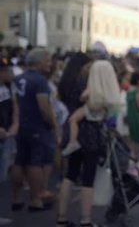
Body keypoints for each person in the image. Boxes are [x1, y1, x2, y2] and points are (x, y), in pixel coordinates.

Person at [57, 60, 121, 227]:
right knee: (88, 178)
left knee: (70, 174)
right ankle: (86, 220)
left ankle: (61, 218)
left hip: (76, 133)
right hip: (92, 135)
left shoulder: (78, 83)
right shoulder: (104, 91)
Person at [10, 48, 57, 212]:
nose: (50, 65)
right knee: (35, 163)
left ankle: (16, 198)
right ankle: (36, 199)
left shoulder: (18, 79)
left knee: (19, 161)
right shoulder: (40, 81)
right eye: (48, 61)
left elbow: (15, 104)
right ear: (39, 62)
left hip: (22, 124)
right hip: (37, 126)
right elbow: (44, 107)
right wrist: (52, 124)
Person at [0, 58, 18, 225]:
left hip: (6, 135)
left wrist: (15, 123)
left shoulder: (7, 87)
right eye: (7, 71)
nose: (11, 74)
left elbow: (13, 107)